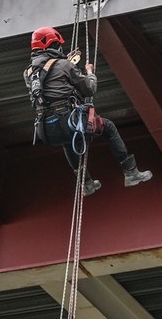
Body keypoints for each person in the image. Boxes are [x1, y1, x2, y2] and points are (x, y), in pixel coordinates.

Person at [24, 26, 152, 196]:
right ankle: (131, 173)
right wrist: (89, 73)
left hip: (46, 129)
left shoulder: (28, 72)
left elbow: (50, 83)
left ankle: (86, 184)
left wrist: (66, 64)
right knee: (108, 127)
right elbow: (89, 89)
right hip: (68, 122)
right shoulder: (63, 65)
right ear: (53, 46)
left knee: (68, 143)